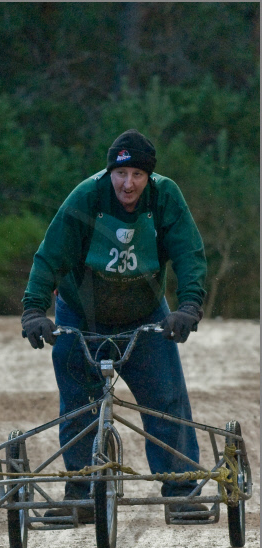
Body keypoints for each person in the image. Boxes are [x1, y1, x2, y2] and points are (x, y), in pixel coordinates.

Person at [21, 129, 208, 523]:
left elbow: (189, 253)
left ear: (149, 177)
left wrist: (189, 306)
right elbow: (49, 256)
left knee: (165, 398)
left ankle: (182, 490)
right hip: (80, 316)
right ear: (110, 173)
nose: (128, 184)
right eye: (121, 174)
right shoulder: (86, 198)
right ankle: (82, 492)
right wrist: (34, 310)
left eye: (137, 175)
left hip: (145, 315)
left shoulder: (166, 197)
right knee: (78, 402)